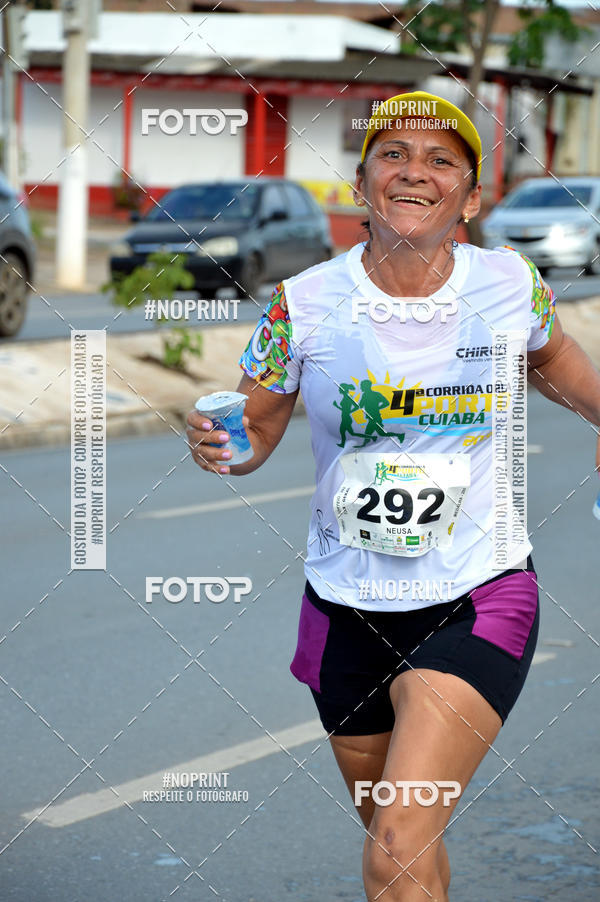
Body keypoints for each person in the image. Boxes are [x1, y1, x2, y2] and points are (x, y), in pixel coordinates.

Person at [187, 90, 600, 901]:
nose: (416, 172)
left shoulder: (510, 285)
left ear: (472, 199)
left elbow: (556, 365)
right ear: (360, 182)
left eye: (443, 160)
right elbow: (256, 430)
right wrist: (222, 449)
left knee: (398, 838)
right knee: (402, 843)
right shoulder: (302, 303)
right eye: (394, 155)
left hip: (477, 595)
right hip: (344, 608)